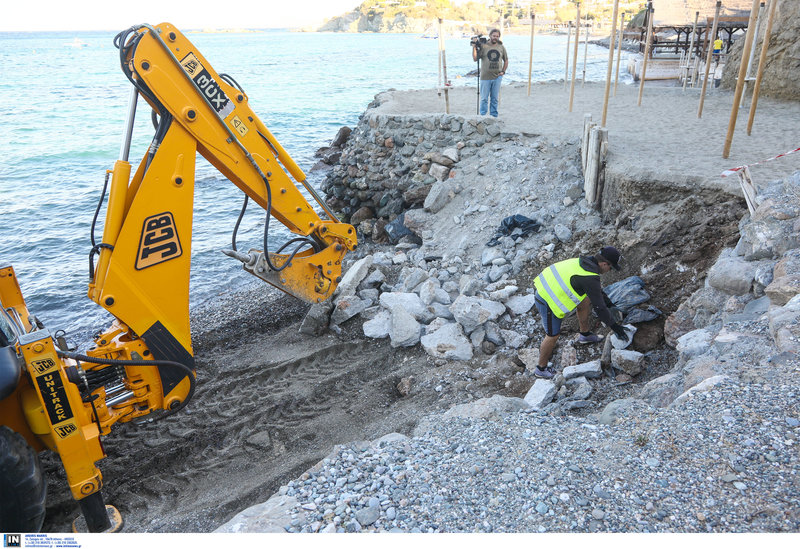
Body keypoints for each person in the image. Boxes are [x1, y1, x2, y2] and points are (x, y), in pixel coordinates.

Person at [531, 246, 629, 379]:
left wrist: (610, 304)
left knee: (585, 299)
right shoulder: (589, 276)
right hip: (546, 298)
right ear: (604, 264)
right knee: (553, 335)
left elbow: (596, 292)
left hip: (550, 287)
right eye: (610, 268)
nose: (609, 271)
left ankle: (585, 335)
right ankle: (541, 369)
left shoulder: (584, 263)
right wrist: (615, 327)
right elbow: (599, 307)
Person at [472, 28, 508, 118]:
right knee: (484, 99)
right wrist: (474, 47)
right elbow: (475, 59)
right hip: (485, 77)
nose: (495, 37)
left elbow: (506, 60)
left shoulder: (501, 47)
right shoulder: (484, 46)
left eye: (497, 36)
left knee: (494, 99)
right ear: (490, 36)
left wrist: (503, 71)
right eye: (494, 36)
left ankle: (494, 116)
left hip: (497, 77)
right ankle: (483, 116)